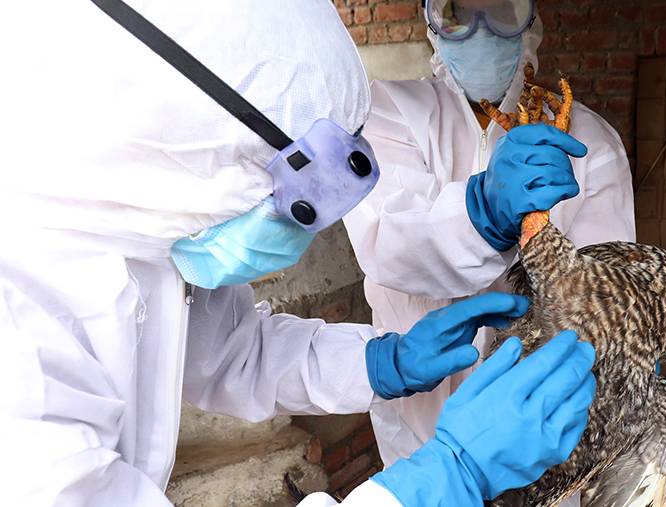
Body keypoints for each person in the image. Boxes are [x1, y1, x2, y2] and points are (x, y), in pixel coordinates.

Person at [0, 1, 596, 506]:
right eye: (286, 197)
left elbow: (233, 352)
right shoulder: (19, 335)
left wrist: (382, 361)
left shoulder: (134, 220)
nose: (294, 229)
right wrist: (442, 481)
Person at [343, 0, 636, 504]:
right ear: (431, 21)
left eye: (501, 10)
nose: (479, 30)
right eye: (457, 13)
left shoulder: (589, 141)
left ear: (530, 20)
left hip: (543, 431)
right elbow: (388, 245)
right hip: (417, 421)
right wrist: (483, 213)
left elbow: (603, 296)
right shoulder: (389, 112)